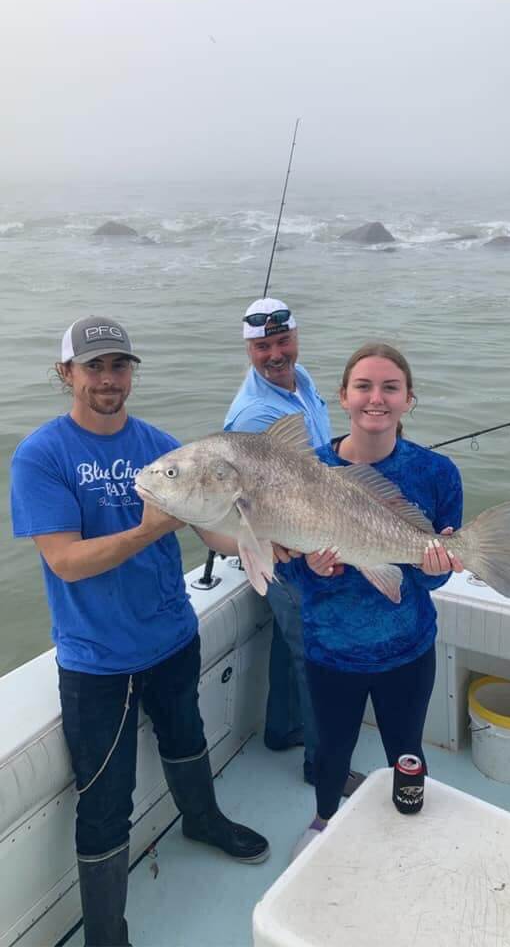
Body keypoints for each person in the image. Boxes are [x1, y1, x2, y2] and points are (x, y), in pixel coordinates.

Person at [10, 316, 269, 947]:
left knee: (188, 736)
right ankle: (105, 932)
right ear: (65, 373)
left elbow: (210, 531)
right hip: (97, 660)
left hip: (174, 635)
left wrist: (272, 540)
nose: (108, 379)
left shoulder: (161, 443)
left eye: (119, 366)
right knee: (105, 798)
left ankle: (202, 821)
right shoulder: (43, 455)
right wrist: (149, 530)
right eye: (93, 366)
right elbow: (65, 561)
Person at [287, 343, 465, 856]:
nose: (376, 398)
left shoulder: (436, 473)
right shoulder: (308, 471)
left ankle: (408, 822)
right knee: (331, 750)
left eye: (390, 387)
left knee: (407, 750)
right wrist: (311, 566)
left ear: (409, 399)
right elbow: (294, 569)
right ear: (342, 397)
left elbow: (428, 581)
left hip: (407, 649)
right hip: (331, 649)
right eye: (363, 386)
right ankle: (323, 819)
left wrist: (434, 570)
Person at [224, 298, 362, 796]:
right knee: (315, 652)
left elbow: (307, 465)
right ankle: (321, 766)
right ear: (248, 348)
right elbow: (259, 504)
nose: (275, 354)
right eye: (262, 347)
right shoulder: (256, 413)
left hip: (309, 529)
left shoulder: (299, 380)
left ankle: (281, 729)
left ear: (296, 338)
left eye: (282, 342)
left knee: (291, 644)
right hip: (288, 549)